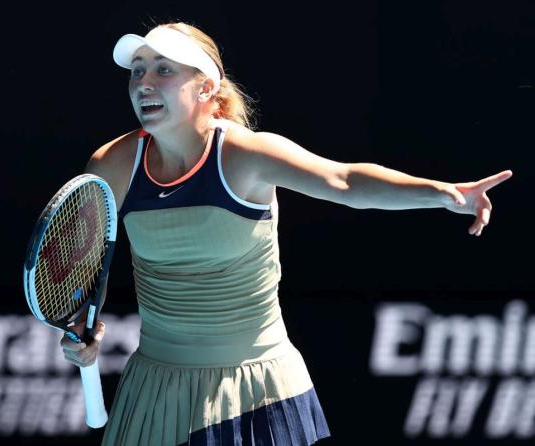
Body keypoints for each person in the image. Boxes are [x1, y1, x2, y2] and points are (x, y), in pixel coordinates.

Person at [61, 22, 512, 445]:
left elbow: (345, 181)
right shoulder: (114, 164)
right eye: (137, 71)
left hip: (256, 389)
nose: (144, 83)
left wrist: (442, 193)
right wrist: (81, 328)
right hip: (156, 390)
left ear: (206, 87)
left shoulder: (245, 155)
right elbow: (75, 267)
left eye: (164, 70)